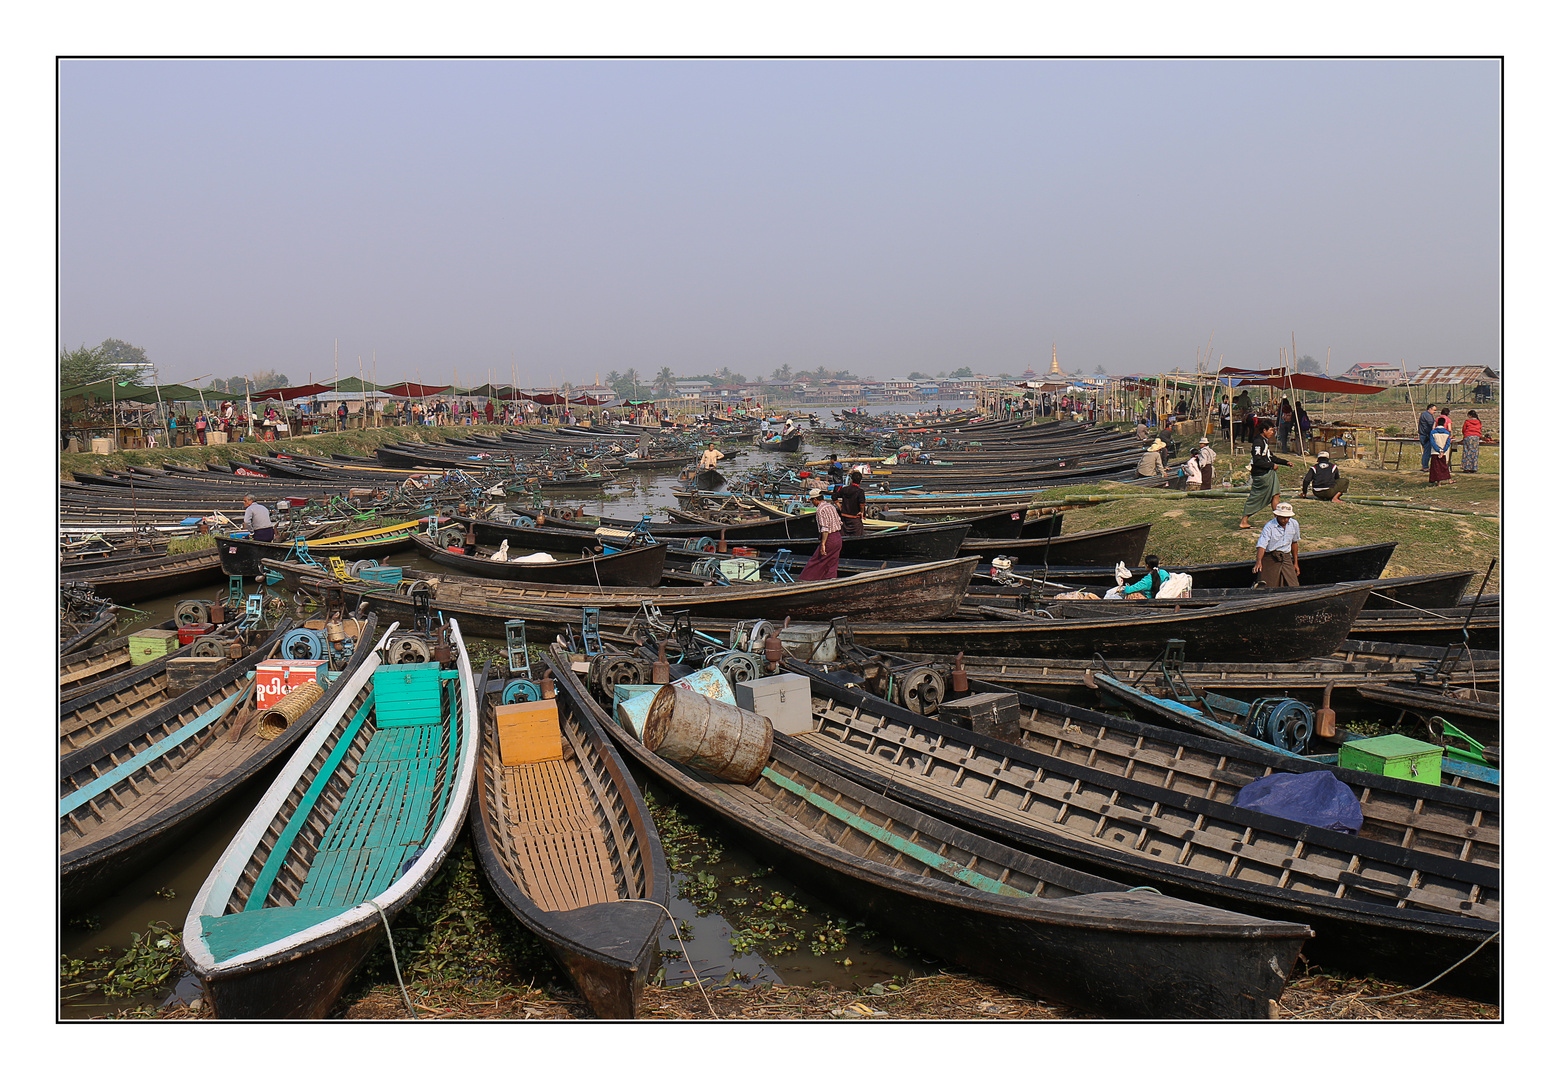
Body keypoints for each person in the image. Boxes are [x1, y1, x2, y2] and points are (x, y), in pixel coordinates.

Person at [1238, 420, 1290, 530]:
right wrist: (1271, 465)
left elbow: (1271, 457)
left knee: (1275, 495)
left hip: (1268, 473)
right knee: (1256, 497)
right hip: (1262, 474)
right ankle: (1244, 520)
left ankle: (1278, 519)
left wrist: (1285, 462)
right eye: (1271, 430)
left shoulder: (1264, 441)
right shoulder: (1258, 442)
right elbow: (1257, 460)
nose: (1272, 433)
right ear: (1264, 430)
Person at [797, 488, 843, 581]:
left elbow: (825, 529)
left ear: (815, 500)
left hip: (829, 538)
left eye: (812, 500)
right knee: (832, 562)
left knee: (816, 561)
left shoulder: (820, 510)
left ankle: (806, 580)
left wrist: (823, 544)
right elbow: (839, 522)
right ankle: (830, 580)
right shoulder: (831, 506)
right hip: (838, 537)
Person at [1254, 503, 1301, 587]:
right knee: (1268, 585)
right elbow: (1262, 545)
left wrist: (1296, 563)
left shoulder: (1294, 524)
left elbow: (1294, 543)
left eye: (1288, 517)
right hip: (1271, 557)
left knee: (1293, 584)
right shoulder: (1269, 527)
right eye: (1283, 517)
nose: (1285, 520)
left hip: (1286, 557)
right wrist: (1259, 561)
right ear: (1276, 515)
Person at [836, 471, 867, 537]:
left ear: (852, 480)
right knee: (857, 537)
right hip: (855, 518)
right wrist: (862, 512)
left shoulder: (845, 489)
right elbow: (862, 504)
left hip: (845, 518)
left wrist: (840, 506)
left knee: (844, 536)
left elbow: (834, 496)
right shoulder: (860, 492)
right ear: (860, 481)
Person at [1428, 416, 1455, 486]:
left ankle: (1438, 483)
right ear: (1444, 424)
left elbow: (1432, 442)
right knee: (1444, 467)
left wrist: (1438, 450)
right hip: (1444, 453)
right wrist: (1443, 451)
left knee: (1436, 468)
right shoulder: (1447, 433)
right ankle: (1448, 479)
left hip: (1435, 452)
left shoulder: (1432, 432)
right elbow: (1448, 443)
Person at [1418, 403, 1437, 471]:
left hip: (1424, 435)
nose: (1434, 412)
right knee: (1427, 451)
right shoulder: (1427, 415)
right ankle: (1425, 466)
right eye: (1434, 410)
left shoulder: (1426, 415)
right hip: (1425, 436)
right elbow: (1432, 424)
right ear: (1430, 409)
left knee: (1427, 451)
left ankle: (1425, 465)